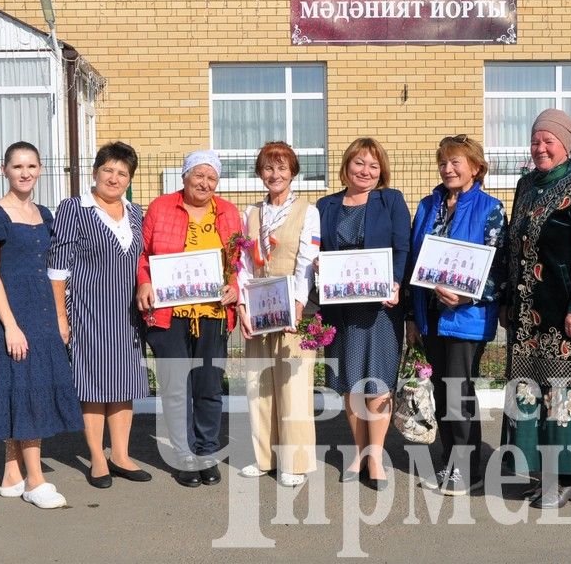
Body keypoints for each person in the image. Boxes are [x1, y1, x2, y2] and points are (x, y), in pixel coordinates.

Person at [499, 109, 571, 508]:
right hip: (526, 315)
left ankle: (565, 478)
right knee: (529, 393)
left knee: (562, 396)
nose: (540, 147)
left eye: (549, 140)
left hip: (565, 314)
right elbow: (514, 246)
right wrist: (507, 299)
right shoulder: (526, 184)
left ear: (566, 146)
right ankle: (539, 475)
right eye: (535, 140)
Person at [0, 142, 84, 509]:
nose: (25, 172)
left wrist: (59, 318)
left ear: (40, 169)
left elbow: (54, 271)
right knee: (23, 390)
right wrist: (10, 325)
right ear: (4, 170)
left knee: (25, 390)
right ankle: (36, 480)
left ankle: (11, 470)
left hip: (42, 315)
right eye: (18, 166)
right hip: (12, 315)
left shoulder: (45, 213)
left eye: (32, 166)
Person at [405, 135, 507, 495]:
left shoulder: (490, 208)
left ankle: (467, 469)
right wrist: (411, 317)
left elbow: (497, 267)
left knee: (459, 393)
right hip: (429, 314)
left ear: (475, 168)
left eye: (456, 162)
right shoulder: (428, 204)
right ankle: (450, 460)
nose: (448, 169)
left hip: (466, 316)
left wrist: (465, 296)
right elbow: (412, 263)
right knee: (441, 391)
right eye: (444, 163)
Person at [48, 142, 152, 489]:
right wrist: (61, 318)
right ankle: (96, 457)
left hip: (128, 316)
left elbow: (144, 262)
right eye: (108, 169)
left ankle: (120, 455)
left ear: (129, 180)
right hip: (89, 312)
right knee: (94, 386)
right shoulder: (74, 209)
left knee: (124, 386)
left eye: (122, 173)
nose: (114, 177)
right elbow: (57, 269)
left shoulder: (137, 213)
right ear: (95, 172)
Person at [136, 150, 241, 488]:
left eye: (211, 177)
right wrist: (145, 282)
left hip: (212, 313)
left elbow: (238, 261)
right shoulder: (160, 207)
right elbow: (144, 254)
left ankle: (206, 452)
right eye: (198, 175)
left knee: (209, 386)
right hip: (170, 314)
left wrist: (235, 286)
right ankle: (184, 456)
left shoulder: (228, 212)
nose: (204, 183)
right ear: (184, 177)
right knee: (176, 385)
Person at [316, 138, 411, 491]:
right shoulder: (325, 205)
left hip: (381, 308)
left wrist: (397, 282)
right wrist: (316, 263)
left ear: (381, 171)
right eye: (360, 163)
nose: (366, 171)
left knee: (379, 382)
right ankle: (358, 453)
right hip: (341, 309)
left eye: (373, 165)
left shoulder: (391, 200)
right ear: (347, 166)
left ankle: (376, 455)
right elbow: (318, 248)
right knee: (351, 384)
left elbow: (402, 246)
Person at [236, 142, 320, 488]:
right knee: (259, 383)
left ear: (293, 172)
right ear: (260, 173)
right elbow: (242, 264)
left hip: (293, 307)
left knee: (293, 385)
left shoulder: (307, 210)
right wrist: (242, 306)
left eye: (282, 168)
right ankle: (264, 457)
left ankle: (295, 462)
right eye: (268, 169)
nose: (275, 175)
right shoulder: (250, 214)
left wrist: (298, 304)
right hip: (258, 306)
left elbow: (307, 261)